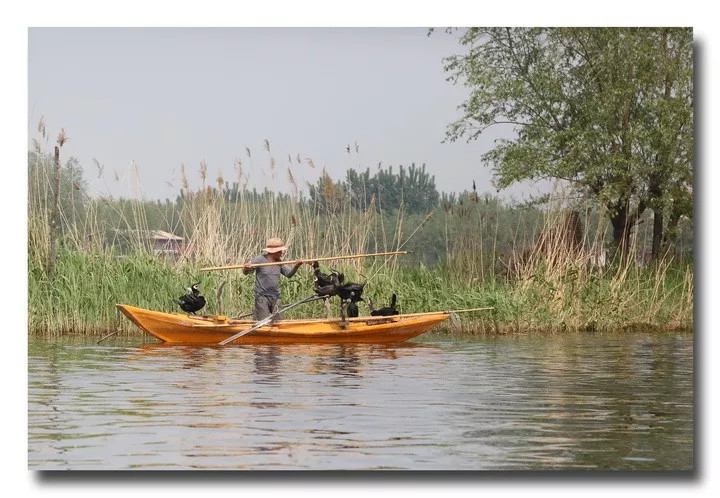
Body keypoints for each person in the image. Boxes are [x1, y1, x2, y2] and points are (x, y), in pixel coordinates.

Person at [242, 237, 304, 320]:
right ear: (273, 251)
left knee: (279, 322)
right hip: (262, 297)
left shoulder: (279, 262)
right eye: (279, 251)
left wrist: (296, 266)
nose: (281, 252)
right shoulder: (260, 260)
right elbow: (246, 273)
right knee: (263, 322)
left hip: (275, 296)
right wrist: (246, 268)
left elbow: (288, 274)